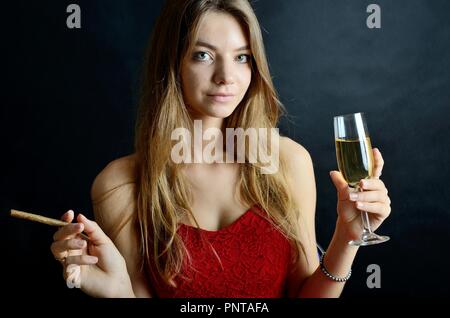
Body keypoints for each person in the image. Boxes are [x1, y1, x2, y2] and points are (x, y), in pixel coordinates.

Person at [50, 0, 391, 298]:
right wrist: (116, 292)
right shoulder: (121, 184)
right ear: (172, 64)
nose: (226, 76)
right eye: (203, 55)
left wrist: (347, 237)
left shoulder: (288, 161)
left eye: (242, 57)